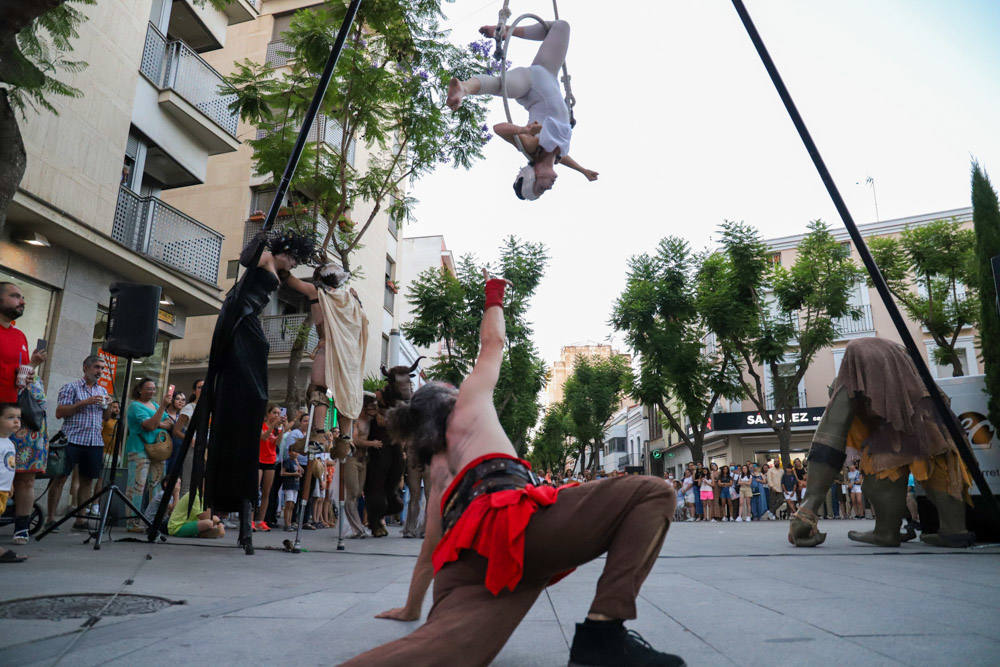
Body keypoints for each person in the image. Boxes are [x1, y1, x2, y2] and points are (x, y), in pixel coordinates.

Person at [346, 273, 681, 666]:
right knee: (653, 492)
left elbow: (429, 551)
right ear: (447, 401)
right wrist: (494, 294)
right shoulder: (467, 404)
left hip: (468, 568)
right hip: (515, 527)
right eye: (452, 387)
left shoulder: (439, 465)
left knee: (438, 651)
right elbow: (493, 343)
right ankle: (603, 634)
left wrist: (412, 609)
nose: (460, 387)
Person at [178, 231, 315, 555]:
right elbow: (245, 258)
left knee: (256, 392)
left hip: (246, 321)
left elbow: (308, 289)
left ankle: (240, 511)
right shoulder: (266, 257)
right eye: (293, 256)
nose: (294, 264)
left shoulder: (281, 270)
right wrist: (262, 238)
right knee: (253, 381)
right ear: (283, 249)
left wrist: (329, 285)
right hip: (237, 321)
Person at [789, 338, 976, 548]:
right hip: (935, 420)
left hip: (893, 430)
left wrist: (808, 505)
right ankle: (955, 530)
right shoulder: (903, 362)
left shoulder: (851, 375)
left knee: (881, 474)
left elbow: (830, 436)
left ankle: (886, 531)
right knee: (942, 466)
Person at [446, 21, 598, 200]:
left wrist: (524, 130)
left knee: (498, 84)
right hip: (547, 72)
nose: (549, 188)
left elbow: (498, 128)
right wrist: (583, 171)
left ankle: (463, 89)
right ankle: (508, 32)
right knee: (561, 27)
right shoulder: (558, 153)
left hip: (528, 87)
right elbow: (563, 159)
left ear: (533, 177)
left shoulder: (532, 147)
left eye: (541, 189)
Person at [284, 265, 367, 456]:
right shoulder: (352, 299)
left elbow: (291, 281)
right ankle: (345, 438)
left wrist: (280, 262)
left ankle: (318, 435)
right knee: (345, 393)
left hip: (329, 347)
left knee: (318, 389)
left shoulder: (318, 293)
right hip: (351, 354)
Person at [55, 355, 112, 531]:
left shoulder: (102, 391)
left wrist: (109, 405)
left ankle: (81, 519)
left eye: (102, 368)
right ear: (85, 368)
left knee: (88, 481)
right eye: (96, 367)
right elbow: (60, 412)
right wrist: (85, 402)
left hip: (94, 441)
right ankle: (50, 518)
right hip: (71, 439)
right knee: (60, 478)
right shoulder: (71, 388)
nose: (100, 371)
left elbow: (106, 418)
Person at [124, 378, 171, 532]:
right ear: (139, 390)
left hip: (156, 451)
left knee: (156, 486)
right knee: (137, 487)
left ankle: (154, 520)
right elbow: (150, 425)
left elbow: (168, 423)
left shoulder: (154, 405)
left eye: (153, 388)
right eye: (148, 388)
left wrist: (157, 421)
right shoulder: (135, 406)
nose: (152, 391)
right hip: (139, 450)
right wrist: (163, 408)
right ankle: (132, 522)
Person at [345, 395, 380, 538]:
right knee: (352, 493)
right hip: (352, 459)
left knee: (358, 493)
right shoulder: (356, 421)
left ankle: (358, 527)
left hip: (363, 460)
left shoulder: (372, 421)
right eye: (371, 406)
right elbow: (355, 439)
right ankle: (356, 528)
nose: (374, 409)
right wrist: (372, 444)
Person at [1, 403, 27, 562]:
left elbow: (7, 467)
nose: (16, 421)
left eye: (18, 418)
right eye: (10, 417)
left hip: (3, 491)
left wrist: (10, 485)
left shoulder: (9, 443)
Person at [255, 404, 285, 532]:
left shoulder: (276, 429)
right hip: (259, 460)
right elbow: (263, 437)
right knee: (255, 491)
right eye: (274, 413)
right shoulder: (261, 425)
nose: (277, 415)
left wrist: (282, 428)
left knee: (267, 492)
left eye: (278, 413)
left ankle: (260, 521)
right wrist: (273, 425)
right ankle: (250, 519)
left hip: (270, 460)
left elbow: (277, 443)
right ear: (268, 414)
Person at [170, 379, 203, 494]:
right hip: (192, 448)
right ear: (194, 391)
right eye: (199, 387)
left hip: (205, 447)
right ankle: (183, 511)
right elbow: (176, 430)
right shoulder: (189, 407)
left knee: (201, 483)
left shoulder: (209, 408)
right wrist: (191, 440)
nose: (203, 390)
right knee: (188, 483)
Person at [280, 445, 303, 530]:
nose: (296, 453)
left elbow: (301, 471)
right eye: (294, 451)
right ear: (289, 452)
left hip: (295, 485)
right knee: (288, 504)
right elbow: (282, 473)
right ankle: (286, 524)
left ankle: (289, 522)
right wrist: (294, 474)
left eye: (297, 451)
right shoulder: (287, 461)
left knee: (292, 505)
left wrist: (297, 464)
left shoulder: (295, 462)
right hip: (289, 485)